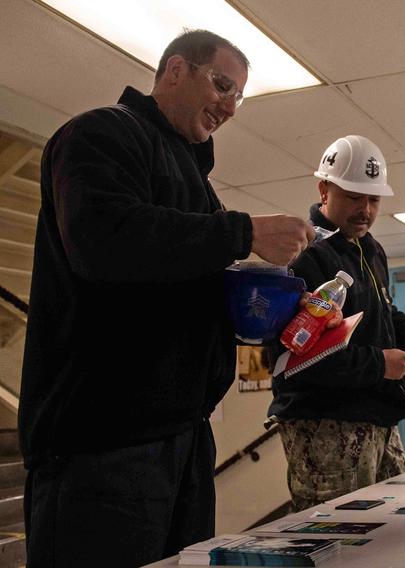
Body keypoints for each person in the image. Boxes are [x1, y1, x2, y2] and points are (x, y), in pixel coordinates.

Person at [19, 30, 314, 567]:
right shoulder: (101, 133)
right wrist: (241, 232)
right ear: (174, 70)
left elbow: (178, 272)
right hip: (104, 445)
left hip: (183, 437)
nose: (229, 105)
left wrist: (273, 305)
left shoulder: (196, 180)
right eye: (222, 84)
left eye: (238, 96)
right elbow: (103, 240)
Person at [267, 135, 405, 512]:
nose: (365, 209)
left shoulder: (371, 249)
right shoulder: (304, 255)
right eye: (354, 196)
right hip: (326, 425)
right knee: (339, 541)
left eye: (373, 199)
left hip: (381, 418)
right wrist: (381, 364)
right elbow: (293, 357)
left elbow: (382, 315)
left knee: (395, 531)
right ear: (324, 189)